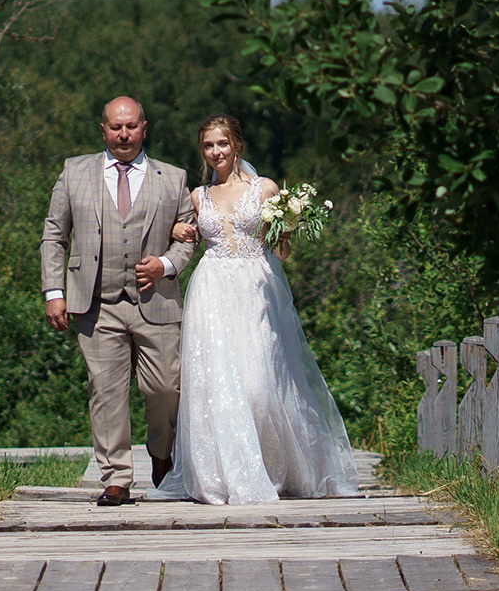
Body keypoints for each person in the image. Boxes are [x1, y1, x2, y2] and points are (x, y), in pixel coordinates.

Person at [151, 114, 359, 504]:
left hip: (255, 289)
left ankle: (273, 466)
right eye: (209, 146)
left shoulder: (264, 189)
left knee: (260, 385)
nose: (216, 152)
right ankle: (225, 474)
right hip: (211, 291)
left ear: (237, 146)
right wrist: (176, 231)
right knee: (220, 385)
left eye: (223, 144)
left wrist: (289, 223)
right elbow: (182, 238)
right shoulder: (198, 197)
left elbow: (281, 249)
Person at [42, 96, 198, 506]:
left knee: (166, 386)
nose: (124, 134)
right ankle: (116, 477)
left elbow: (190, 236)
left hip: (156, 301)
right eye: (116, 127)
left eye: (131, 126)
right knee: (106, 390)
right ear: (103, 129)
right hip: (96, 302)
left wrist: (165, 264)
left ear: (145, 128)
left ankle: (162, 456)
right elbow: (54, 235)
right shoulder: (75, 171)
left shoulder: (173, 177)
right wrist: (54, 292)